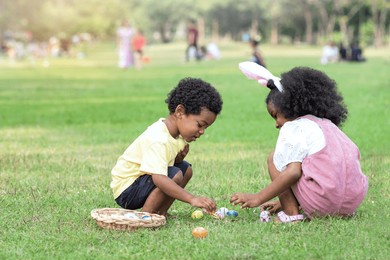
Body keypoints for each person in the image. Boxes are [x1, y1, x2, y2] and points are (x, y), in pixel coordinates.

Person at [231, 64, 368, 222]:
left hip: (324, 204)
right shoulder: (327, 125)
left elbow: (294, 172)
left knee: (274, 158)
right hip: (350, 204)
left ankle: (291, 214)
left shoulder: (293, 127)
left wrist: (258, 197)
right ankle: (296, 204)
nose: (276, 123)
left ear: (289, 106)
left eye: (276, 115)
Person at [111, 77, 223, 217]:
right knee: (174, 174)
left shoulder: (177, 135)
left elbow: (164, 166)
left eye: (206, 127)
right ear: (180, 111)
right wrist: (192, 199)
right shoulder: (159, 138)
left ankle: (160, 212)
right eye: (200, 125)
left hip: (143, 181)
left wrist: (176, 160)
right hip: (127, 190)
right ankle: (147, 216)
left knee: (185, 170)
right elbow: (159, 178)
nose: (202, 132)